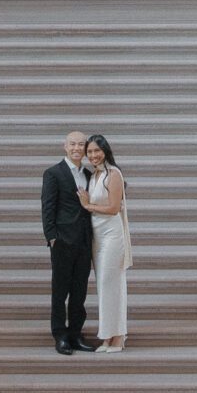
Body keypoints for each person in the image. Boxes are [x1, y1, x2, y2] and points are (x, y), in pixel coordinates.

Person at [41, 128, 95, 355]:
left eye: (81, 144)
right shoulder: (53, 173)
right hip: (62, 241)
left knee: (80, 290)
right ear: (65, 146)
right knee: (60, 290)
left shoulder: (90, 174)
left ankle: (75, 333)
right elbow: (48, 207)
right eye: (72, 144)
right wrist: (52, 237)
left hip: (84, 242)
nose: (76, 148)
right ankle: (60, 335)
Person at [82, 133, 130, 352]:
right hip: (97, 237)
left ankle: (118, 336)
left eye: (96, 151)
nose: (93, 155)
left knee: (112, 284)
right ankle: (107, 336)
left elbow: (112, 208)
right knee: (103, 287)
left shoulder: (114, 174)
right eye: (89, 151)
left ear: (105, 151)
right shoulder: (93, 176)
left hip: (112, 235)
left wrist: (88, 206)